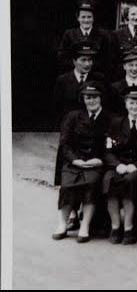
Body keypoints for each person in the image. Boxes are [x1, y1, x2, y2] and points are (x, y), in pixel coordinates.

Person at [52, 81, 113, 243]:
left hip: (97, 162)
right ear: (83, 99)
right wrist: (76, 160)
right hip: (75, 162)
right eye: (87, 98)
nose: (91, 101)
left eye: (94, 97)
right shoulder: (73, 117)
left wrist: (100, 160)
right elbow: (64, 144)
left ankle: (85, 226)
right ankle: (62, 224)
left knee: (91, 185)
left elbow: (112, 145)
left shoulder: (110, 118)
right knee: (67, 187)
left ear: (100, 98)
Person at [102, 87, 137, 245]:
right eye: (131, 103)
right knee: (109, 180)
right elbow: (107, 150)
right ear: (125, 104)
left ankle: (129, 227)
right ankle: (116, 226)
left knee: (130, 182)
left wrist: (136, 166)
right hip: (119, 167)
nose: (135, 107)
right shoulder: (117, 123)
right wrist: (117, 165)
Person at [57, 0, 115, 78]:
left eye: (89, 17)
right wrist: (78, 67)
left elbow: (108, 59)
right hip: (75, 77)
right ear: (78, 18)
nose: (86, 20)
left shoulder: (103, 35)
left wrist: (90, 68)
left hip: (96, 78)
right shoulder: (69, 34)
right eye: (83, 17)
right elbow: (62, 57)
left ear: (93, 18)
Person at [113, 0, 137, 79]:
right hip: (121, 80)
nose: (136, 17)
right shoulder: (116, 35)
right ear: (127, 15)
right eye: (133, 14)